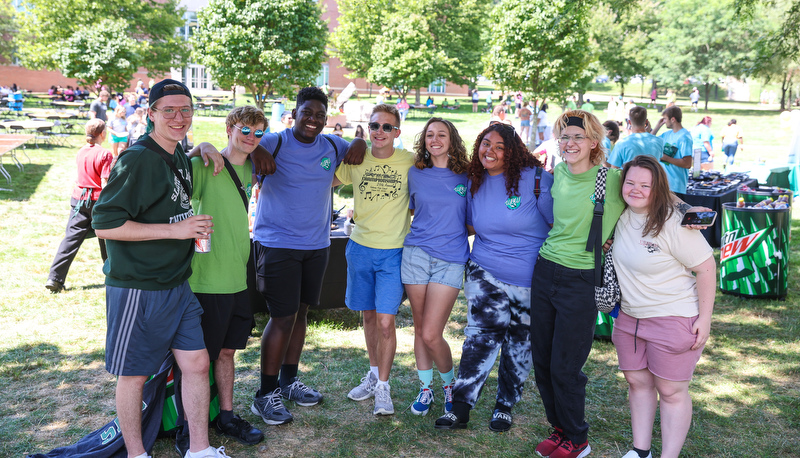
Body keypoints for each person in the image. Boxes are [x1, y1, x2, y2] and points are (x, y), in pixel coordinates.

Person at [92, 79, 228, 458]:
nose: (178, 117)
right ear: (150, 114)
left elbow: (186, 150)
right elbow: (104, 223)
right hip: (139, 286)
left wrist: (202, 146)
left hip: (177, 284)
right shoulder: (137, 159)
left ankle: (199, 449)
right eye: (168, 110)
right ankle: (137, 454)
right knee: (134, 375)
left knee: (198, 363)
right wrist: (177, 230)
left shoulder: (178, 154)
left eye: (185, 109)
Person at [247, 87, 366, 426]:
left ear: (326, 119)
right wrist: (256, 152)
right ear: (295, 114)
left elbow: (357, 147)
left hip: (317, 245)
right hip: (277, 244)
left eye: (319, 115)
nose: (313, 120)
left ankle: (288, 382)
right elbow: (241, 152)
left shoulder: (331, 145)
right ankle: (264, 394)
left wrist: (358, 143)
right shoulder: (274, 141)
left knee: (300, 314)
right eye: (307, 113)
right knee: (281, 317)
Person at [434, 122, 554, 432]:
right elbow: (471, 225)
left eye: (499, 146)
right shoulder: (474, 182)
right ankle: (460, 408)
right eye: (486, 143)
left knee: (519, 343)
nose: (490, 150)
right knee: (481, 337)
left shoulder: (537, 180)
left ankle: (504, 405)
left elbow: (560, 226)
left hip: (530, 278)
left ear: (512, 152)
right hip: (485, 270)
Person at [530, 110, 625, 458]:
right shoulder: (556, 177)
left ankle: (578, 439)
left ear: (594, 143)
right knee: (542, 359)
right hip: (545, 270)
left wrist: (690, 217)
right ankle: (559, 430)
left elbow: (653, 193)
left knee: (565, 366)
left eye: (578, 138)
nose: (570, 144)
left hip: (582, 279)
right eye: (565, 138)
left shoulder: (611, 180)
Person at [175, 106, 268, 454]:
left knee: (228, 352)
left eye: (259, 132)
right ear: (230, 127)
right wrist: (202, 145)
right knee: (196, 360)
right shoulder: (205, 164)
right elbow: (179, 166)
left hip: (238, 277)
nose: (252, 138)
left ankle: (226, 416)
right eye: (245, 129)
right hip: (206, 280)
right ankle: (187, 428)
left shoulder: (255, 167)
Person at [612, 155, 715, 458]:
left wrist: (705, 319)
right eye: (630, 182)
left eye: (646, 185)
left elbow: (707, 268)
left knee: (671, 392)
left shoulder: (674, 222)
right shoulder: (620, 212)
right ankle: (640, 451)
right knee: (637, 382)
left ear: (658, 189)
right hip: (630, 318)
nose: (636, 189)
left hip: (674, 317)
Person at [336, 104, 415, 416]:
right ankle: (372, 375)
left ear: (397, 132)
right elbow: (324, 177)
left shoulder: (409, 160)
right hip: (359, 248)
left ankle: (383, 386)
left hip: (393, 251)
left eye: (386, 127)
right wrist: (350, 145)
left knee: (385, 321)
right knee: (368, 317)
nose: (379, 132)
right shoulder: (357, 157)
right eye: (374, 126)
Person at [401, 117, 470, 417]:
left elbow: (471, 221)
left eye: (441, 134)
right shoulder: (415, 173)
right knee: (419, 328)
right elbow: (415, 210)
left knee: (432, 332)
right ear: (424, 140)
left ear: (452, 140)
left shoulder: (467, 176)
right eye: (430, 134)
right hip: (415, 255)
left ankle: (449, 385)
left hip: (451, 259)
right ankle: (425, 387)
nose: (435, 139)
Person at [45, 119, 114, 293]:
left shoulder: (81, 151)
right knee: (107, 238)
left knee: (70, 239)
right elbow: (105, 181)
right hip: (98, 201)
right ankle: (113, 275)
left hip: (79, 200)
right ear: (102, 134)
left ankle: (54, 278)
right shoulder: (105, 154)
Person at [651, 106, 693, 193]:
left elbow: (687, 164)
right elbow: (649, 141)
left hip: (676, 187)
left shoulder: (684, 137)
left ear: (673, 119)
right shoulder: (667, 134)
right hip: (663, 185)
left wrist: (666, 158)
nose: (664, 121)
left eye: (665, 119)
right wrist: (657, 127)